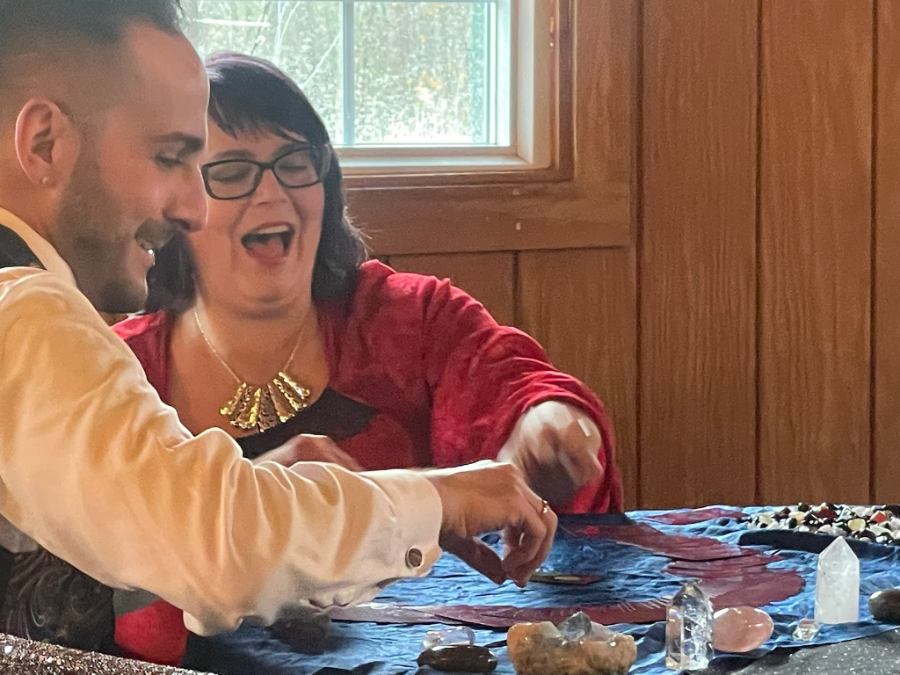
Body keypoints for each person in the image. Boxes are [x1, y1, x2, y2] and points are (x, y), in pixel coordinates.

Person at [0, 0, 557, 658]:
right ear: (44, 144)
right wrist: (439, 498)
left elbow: (166, 543)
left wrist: (273, 495)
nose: (191, 206)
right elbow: (216, 545)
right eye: (169, 157)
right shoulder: (25, 313)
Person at [112, 52, 623, 665]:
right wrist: (265, 501)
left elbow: (515, 383)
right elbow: (109, 584)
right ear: (178, 205)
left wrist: (547, 424)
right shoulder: (118, 372)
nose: (273, 190)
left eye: (296, 163)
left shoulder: (411, 317)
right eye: (232, 172)